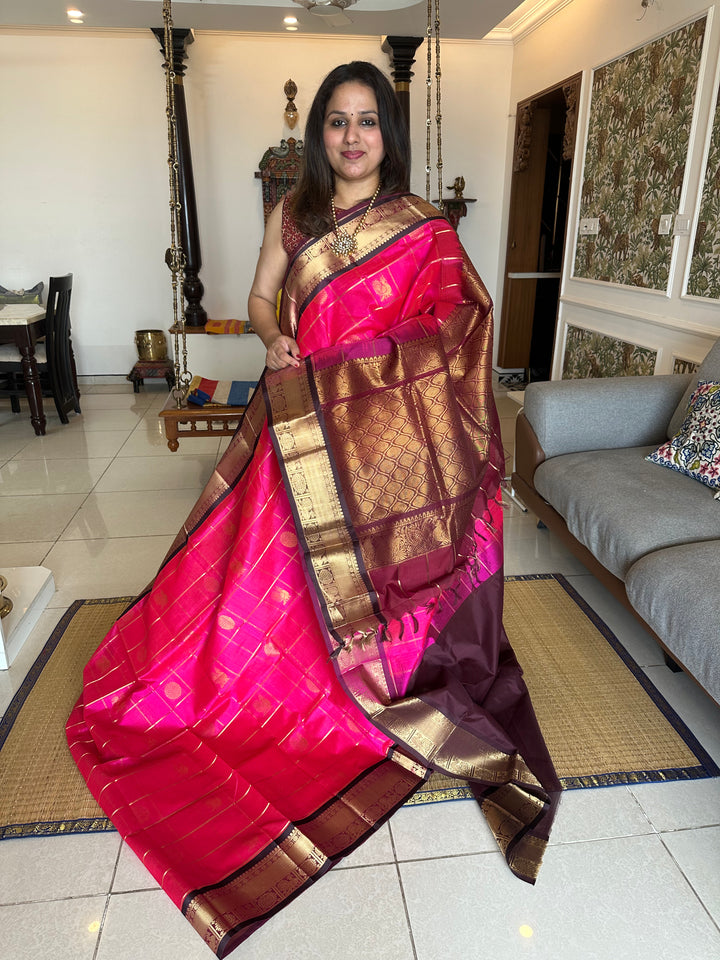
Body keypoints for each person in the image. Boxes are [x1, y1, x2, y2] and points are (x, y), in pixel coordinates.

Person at [67, 61, 560, 958]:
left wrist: (377, 371)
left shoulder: (423, 231)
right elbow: (260, 297)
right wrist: (273, 334)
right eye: (337, 121)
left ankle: (370, 672)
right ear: (318, 135)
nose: (352, 137)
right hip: (296, 431)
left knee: (372, 582)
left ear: (389, 134)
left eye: (368, 121)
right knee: (249, 589)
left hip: (379, 447)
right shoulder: (290, 218)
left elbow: (460, 327)